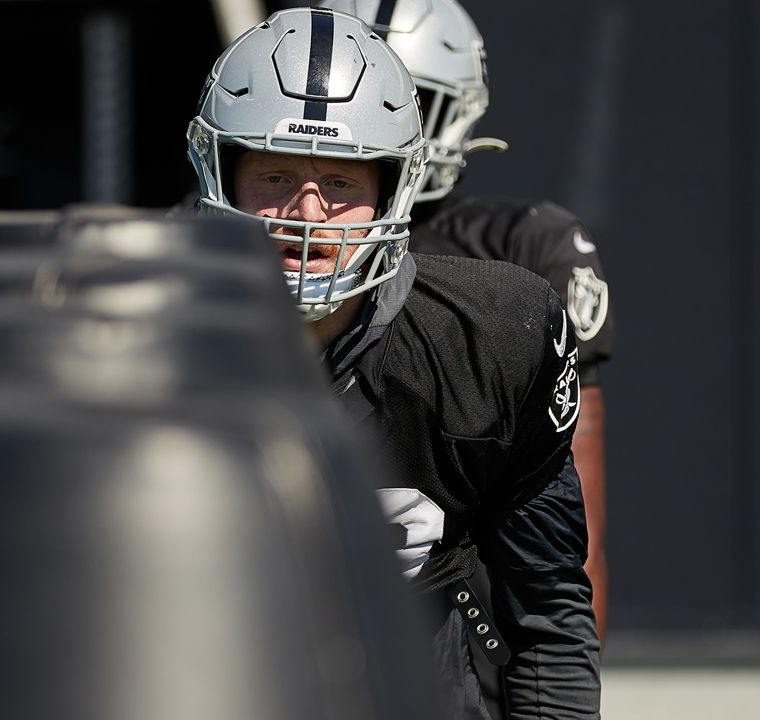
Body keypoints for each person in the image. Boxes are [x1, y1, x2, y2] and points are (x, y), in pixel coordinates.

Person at [186, 8, 600, 719]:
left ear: (395, 187)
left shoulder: (486, 341)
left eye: (341, 182)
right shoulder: (141, 341)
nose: (306, 213)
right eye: (275, 174)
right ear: (218, 172)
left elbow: (548, 611)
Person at [319, 0, 614, 642]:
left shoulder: (523, 248)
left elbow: (566, 531)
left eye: (408, 100)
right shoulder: (241, 232)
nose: (377, 124)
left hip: (455, 631)